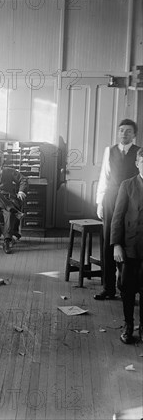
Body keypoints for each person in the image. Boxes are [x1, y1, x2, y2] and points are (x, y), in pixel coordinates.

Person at [94, 119, 140, 301]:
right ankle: (108, 287)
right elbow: (104, 177)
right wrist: (100, 202)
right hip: (111, 199)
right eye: (121, 130)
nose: (124, 134)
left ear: (134, 135)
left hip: (131, 201)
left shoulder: (138, 153)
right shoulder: (110, 151)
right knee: (108, 244)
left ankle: (127, 288)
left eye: (128, 131)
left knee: (127, 243)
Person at [110, 147, 143, 344]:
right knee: (128, 289)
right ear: (138, 164)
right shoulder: (127, 185)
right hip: (130, 247)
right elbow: (117, 217)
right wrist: (116, 245)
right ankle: (128, 325)